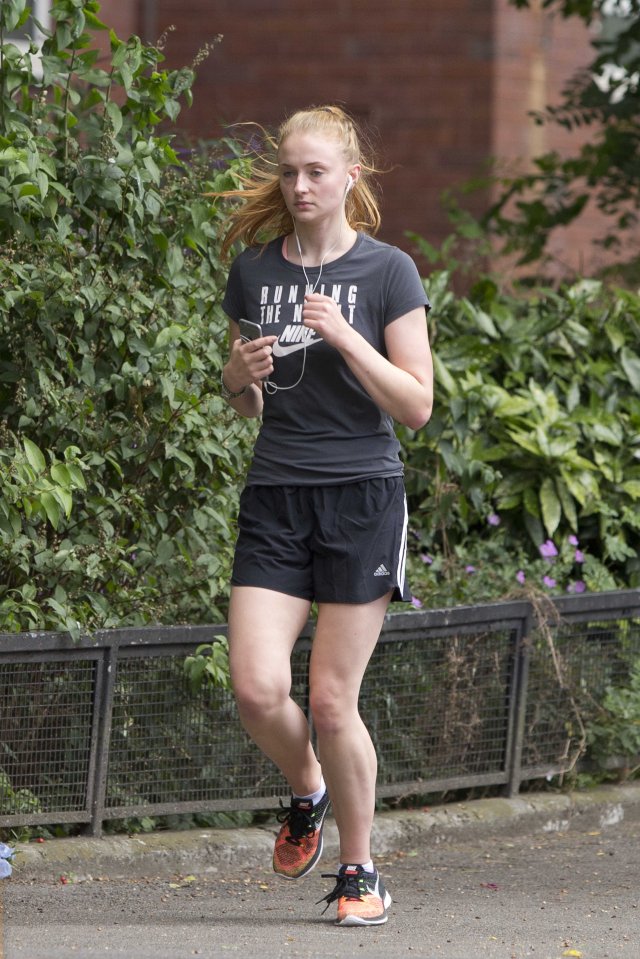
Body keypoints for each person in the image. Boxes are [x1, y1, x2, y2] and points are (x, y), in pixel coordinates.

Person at [216, 104, 433, 927]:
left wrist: (347, 336)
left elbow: (416, 405)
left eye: (316, 171)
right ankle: (307, 788)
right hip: (276, 496)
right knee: (257, 687)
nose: (299, 185)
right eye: (289, 171)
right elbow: (249, 405)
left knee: (334, 699)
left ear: (350, 177)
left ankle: (359, 871)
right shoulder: (254, 275)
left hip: (361, 498)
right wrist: (238, 377)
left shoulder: (388, 272)